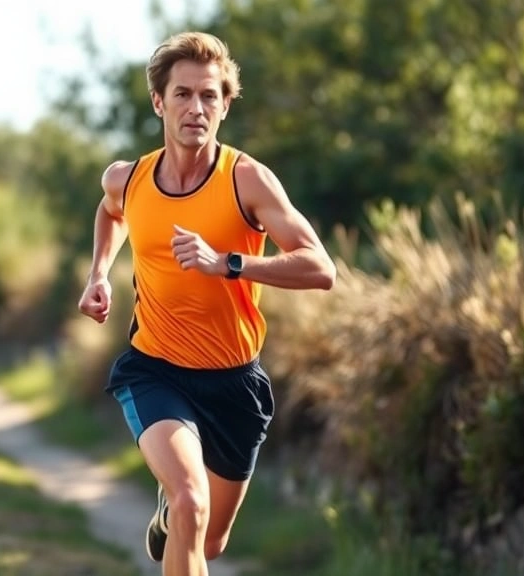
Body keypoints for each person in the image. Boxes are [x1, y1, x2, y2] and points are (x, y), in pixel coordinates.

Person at [77, 31, 337, 575]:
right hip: (156, 369)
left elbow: (320, 268)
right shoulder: (129, 178)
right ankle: (177, 508)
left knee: (208, 543)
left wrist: (230, 263)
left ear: (224, 105)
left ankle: (169, 520)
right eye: (183, 94)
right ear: (158, 102)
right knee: (190, 500)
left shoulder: (247, 181)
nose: (196, 108)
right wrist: (99, 273)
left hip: (234, 382)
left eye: (210, 96)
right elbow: (111, 211)